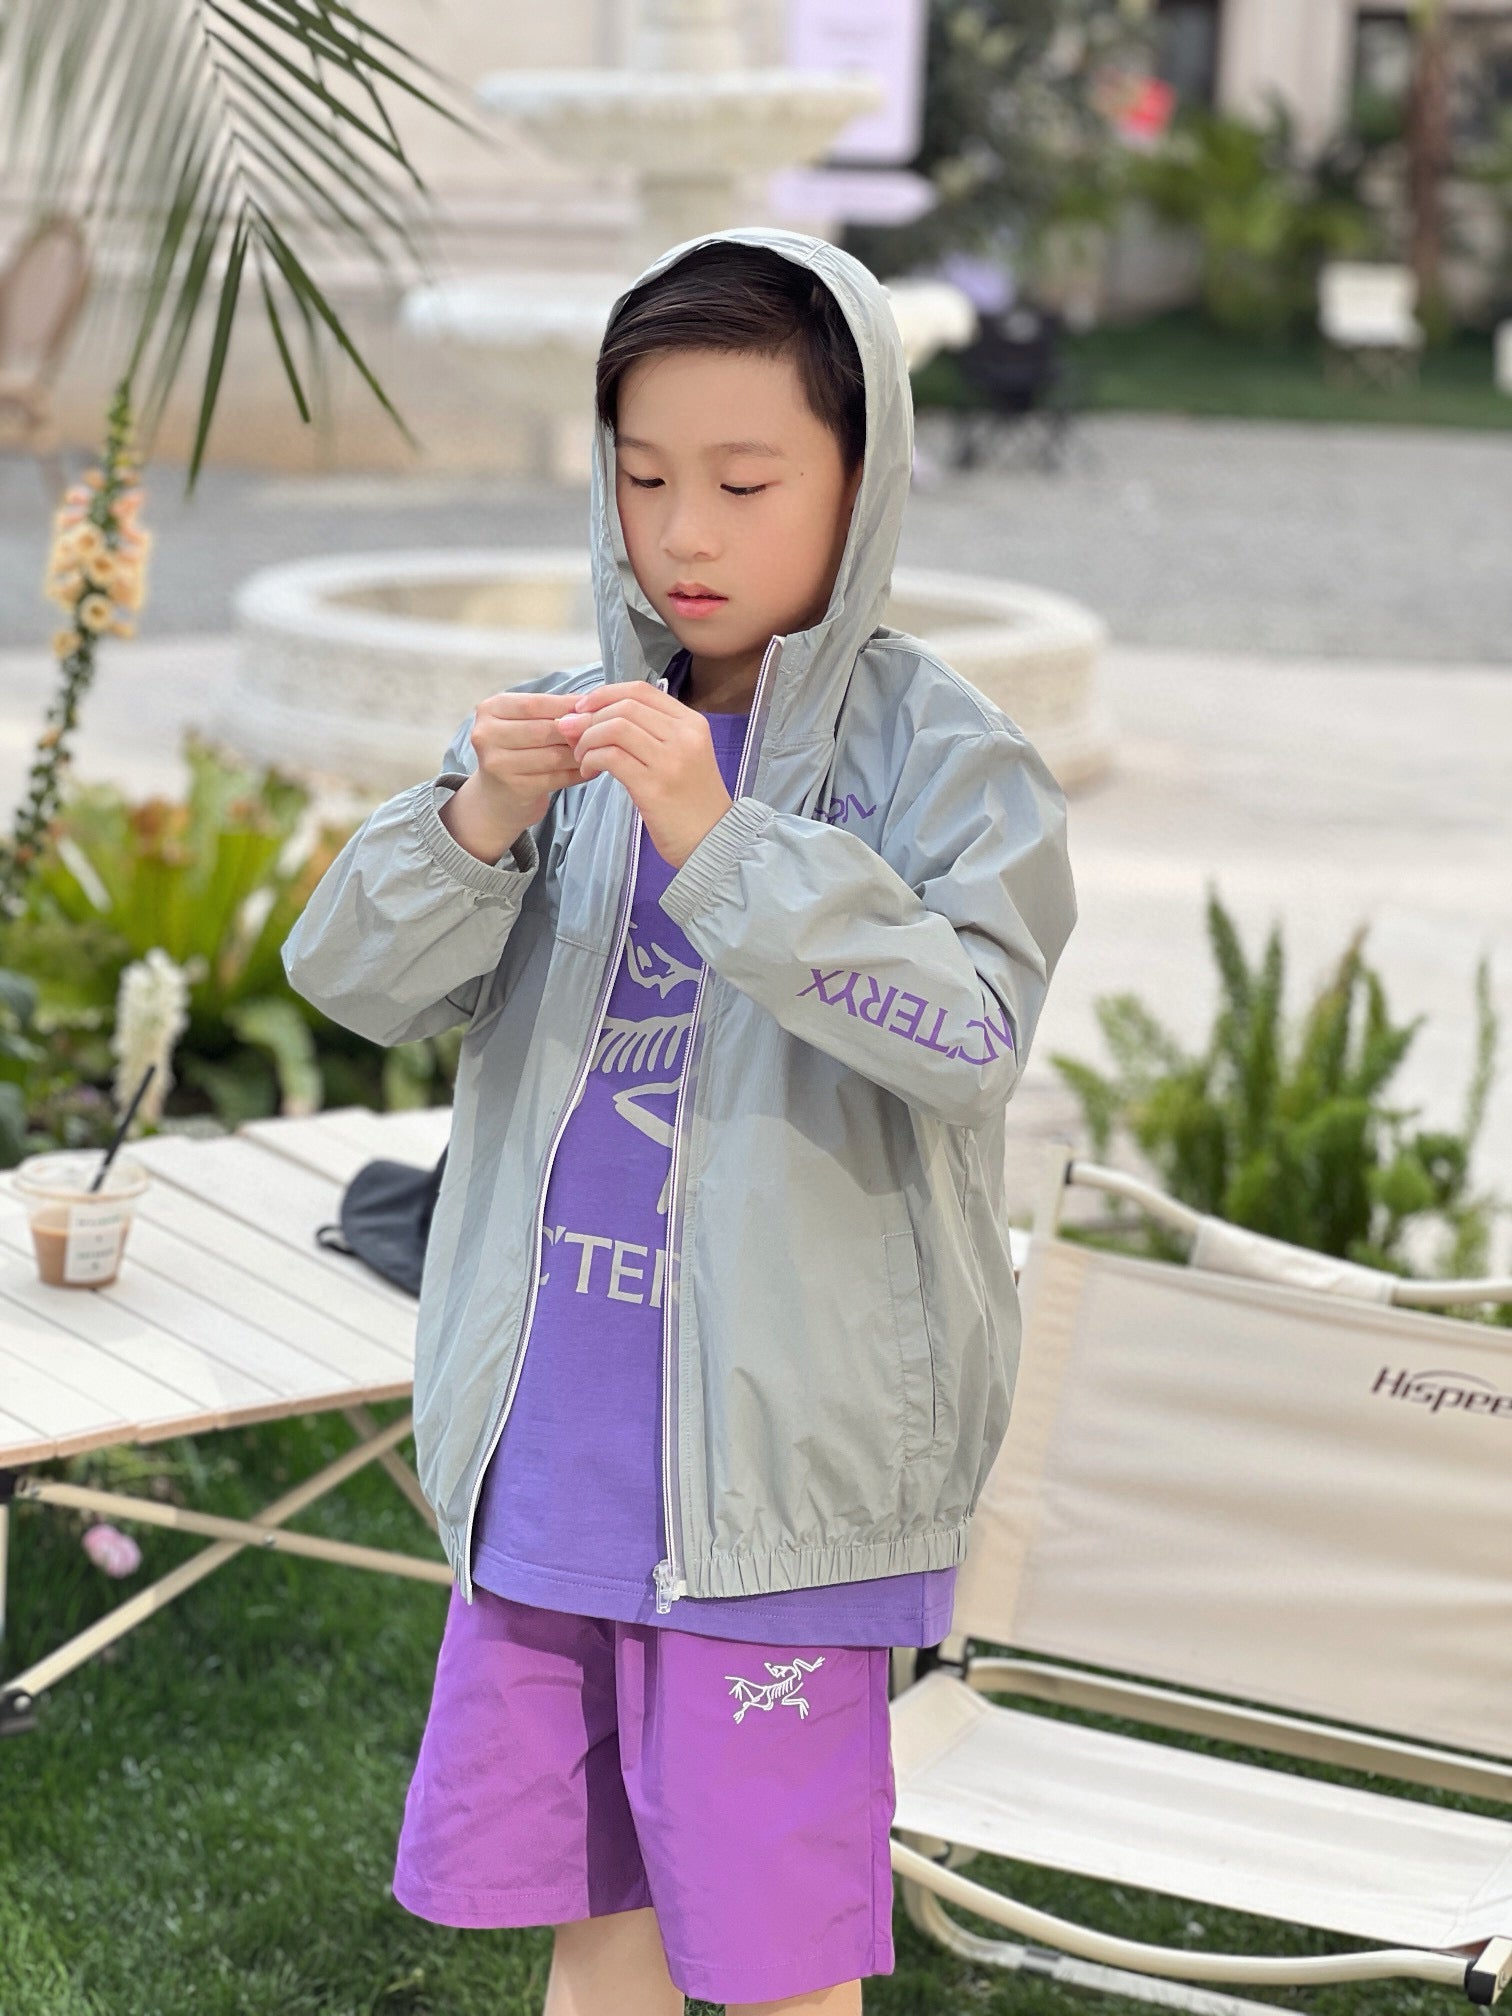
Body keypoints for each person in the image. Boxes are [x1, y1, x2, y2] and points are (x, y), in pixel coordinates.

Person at [281, 226, 1077, 2015]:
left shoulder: (948, 760)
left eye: (743, 480)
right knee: (600, 1937)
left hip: (776, 1491)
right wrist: (476, 820)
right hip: (554, 1464)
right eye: (645, 479)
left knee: (779, 1968)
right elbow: (351, 977)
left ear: (861, 478)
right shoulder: (573, 735)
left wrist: (726, 846)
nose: (684, 533)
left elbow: (968, 1035)